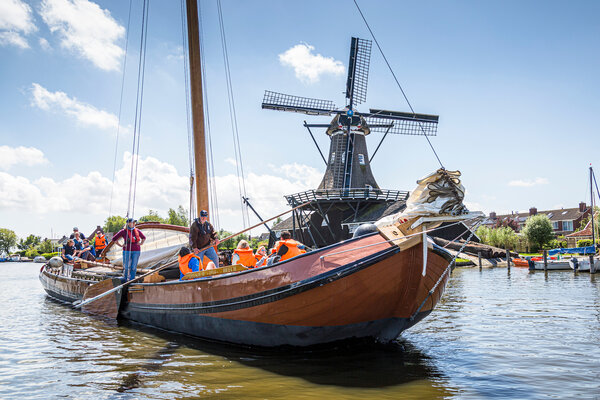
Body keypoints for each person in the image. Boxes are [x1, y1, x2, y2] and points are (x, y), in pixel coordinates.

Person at [107, 218, 146, 283]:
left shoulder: (137, 231)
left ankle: (132, 280)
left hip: (136, 250)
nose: (134, 223)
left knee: (133, 267)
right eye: (132, 222)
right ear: (128, 223)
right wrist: (121, 245)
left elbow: (144, 237)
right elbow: (114, 239)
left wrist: (141, 243)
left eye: (134, 222)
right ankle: (125, 279)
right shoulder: (123, 231)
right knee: (126, 266)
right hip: (127, 251)